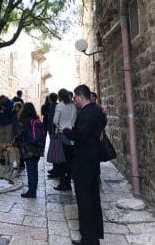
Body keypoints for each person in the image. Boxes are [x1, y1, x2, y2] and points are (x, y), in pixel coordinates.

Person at [63, 84, 107, 245]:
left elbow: (81, 135)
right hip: (92, 160)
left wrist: (66, 131)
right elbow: (102, 124)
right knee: (92, 198)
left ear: (81, 97)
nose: (74, 100)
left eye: (75, 97)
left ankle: (89, 239)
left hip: (85, 161)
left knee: (85, 199)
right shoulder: (97, 111)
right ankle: (92, 236)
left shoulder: (88, 113)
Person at [16, 102, 44, 198]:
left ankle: (31, 192)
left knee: (30, 171)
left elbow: (19, 134)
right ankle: (33, 190)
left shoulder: (23, 120)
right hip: (37, 149)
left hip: (28, 149)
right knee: (34, 170)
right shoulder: (37, 119)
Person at [53, 88, 77, 191]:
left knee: (62, 160)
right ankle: (68, 184)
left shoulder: (59, 106)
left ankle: (62, 184)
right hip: (71, 134)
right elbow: (74, 120)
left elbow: (55, 120)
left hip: (62, 134)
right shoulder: (73, 106)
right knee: (70, 161)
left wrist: (59, 126)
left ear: (60, 96)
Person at [0, 95, 14, 163]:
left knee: (8, 142)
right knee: (1, 142)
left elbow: (12, 114)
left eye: (3, 101)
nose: (2, 102)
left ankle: (8, 158)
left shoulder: (11, 103)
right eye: (1, 101)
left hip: (9, 125)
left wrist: (5, 109)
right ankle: (2, 158)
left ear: (6, 99)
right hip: (1, 125)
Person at [12, 101, 25, 169]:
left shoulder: (21, 115)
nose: (14, 108)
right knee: (18, 150)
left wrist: (18, 134)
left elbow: (20, 126)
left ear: (20, 107)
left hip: (20, 135)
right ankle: (20, 164)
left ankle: (21, 164)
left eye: (16, 107)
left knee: (20, 150)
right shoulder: (15, 114)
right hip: (17, 134)